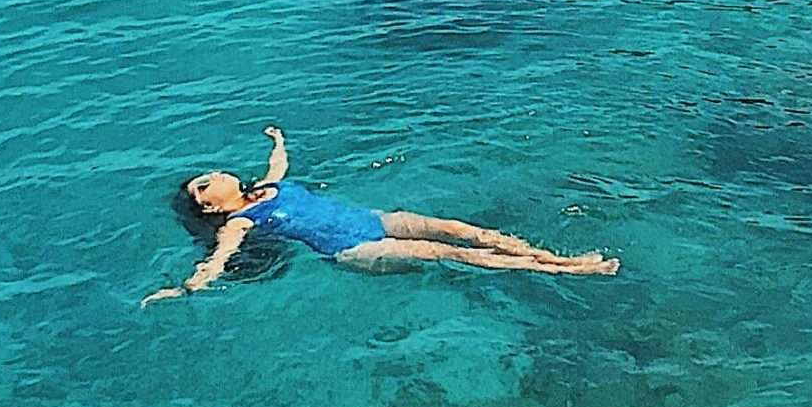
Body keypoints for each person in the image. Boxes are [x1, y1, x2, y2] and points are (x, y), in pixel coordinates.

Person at [148, 126, 617, 302]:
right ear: (210, 205)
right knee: (446, 252)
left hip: (374, 220)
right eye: (204, 184)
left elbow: (280, 167)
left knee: (460, 229)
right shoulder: (238, 223)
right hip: (356, 248)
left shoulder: (267, 186)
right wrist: (184, 288)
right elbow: (218, 260)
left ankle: (551, 257)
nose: (213, 173)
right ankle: (570, 269)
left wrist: (278, 142)